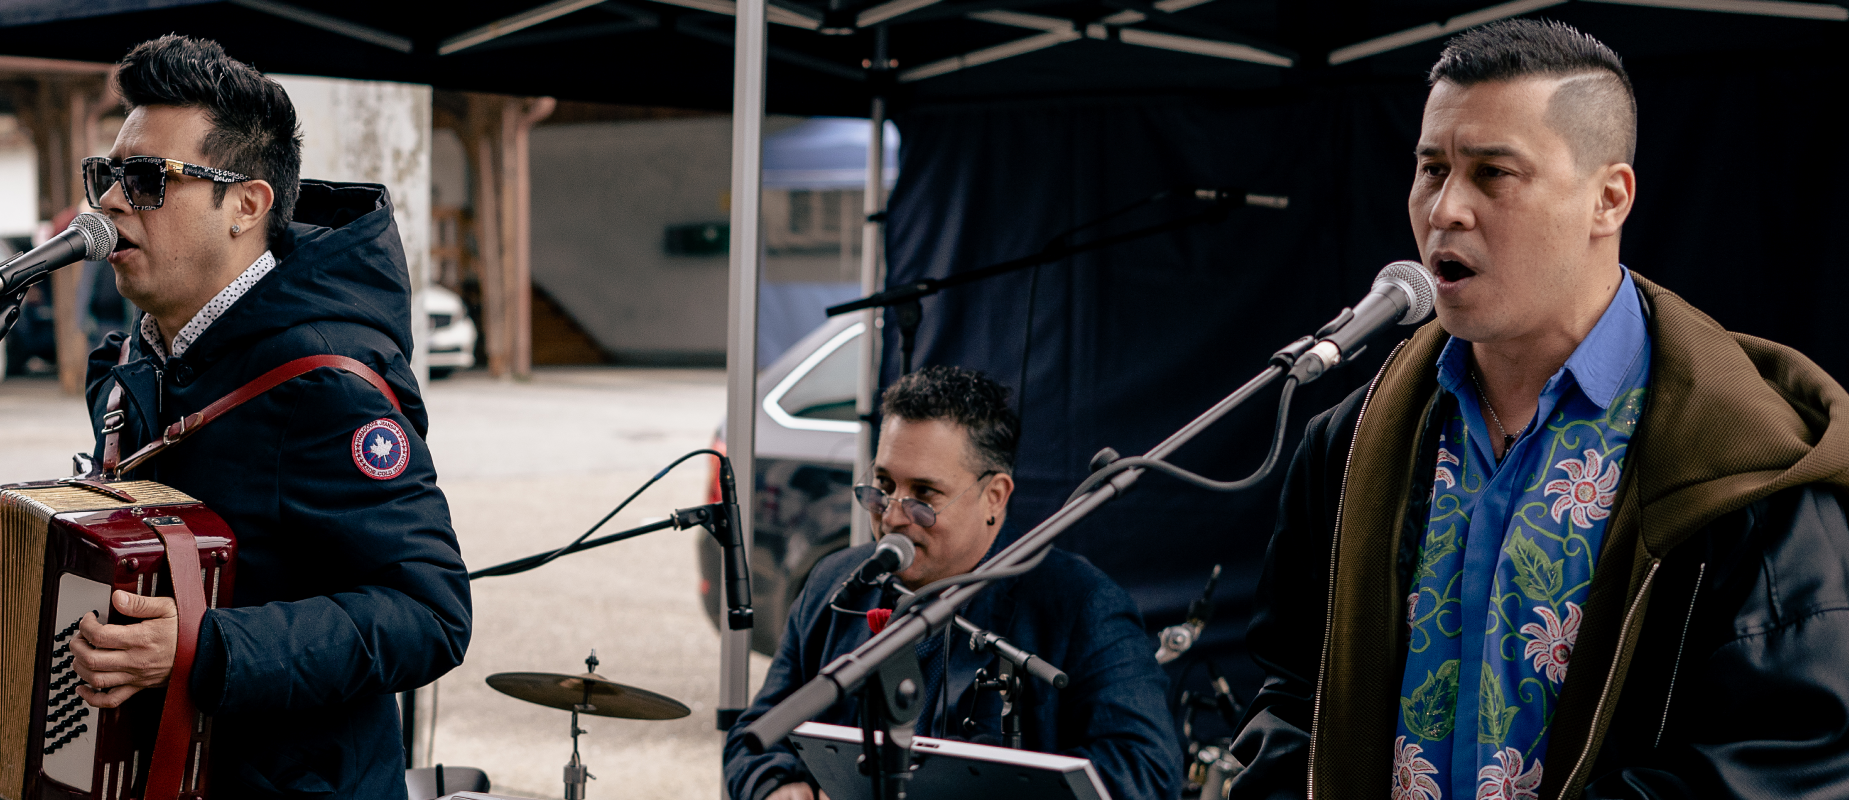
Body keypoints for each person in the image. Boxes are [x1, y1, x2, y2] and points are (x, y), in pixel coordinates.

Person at [1228, 19, 1849, 799]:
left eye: (1493, 174)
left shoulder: (1746, 461)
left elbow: (1790, 754)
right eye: (1431, 169)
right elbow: (1294, 691)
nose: (1446, 209)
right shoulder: (1351, 442)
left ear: (1608, 198)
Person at [61, 36, 471, 798]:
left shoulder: (325, 383)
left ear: (246, 206)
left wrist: (205, 647)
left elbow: (429, 612)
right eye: (108, 174)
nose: (111, 202)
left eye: (148, 179)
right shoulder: (133, 365)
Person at [724, 366, 1179, 800]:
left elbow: (1145, 773)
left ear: (994, 498)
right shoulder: (835, 584)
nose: (893, 515)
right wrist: (776, 786)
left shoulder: (1081, 605)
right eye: (882, 484)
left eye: (924, 495)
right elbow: (758, 734)